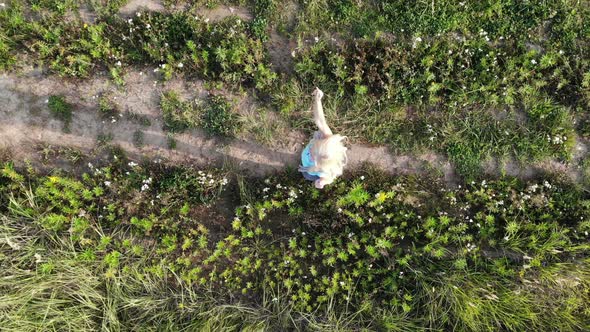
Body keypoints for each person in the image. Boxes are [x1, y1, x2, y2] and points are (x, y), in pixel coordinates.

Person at [299, 87, 348, 189]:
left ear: (320, 165)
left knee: (307, 175)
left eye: (313, 156)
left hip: (310, 170)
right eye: (313, 148)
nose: (311, 153)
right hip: (311, 166)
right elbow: (320, 121)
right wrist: (317, 100)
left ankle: (307, 173)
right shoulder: (327, 138)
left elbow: (328, 179)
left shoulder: (326, 170)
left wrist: (321, 183)